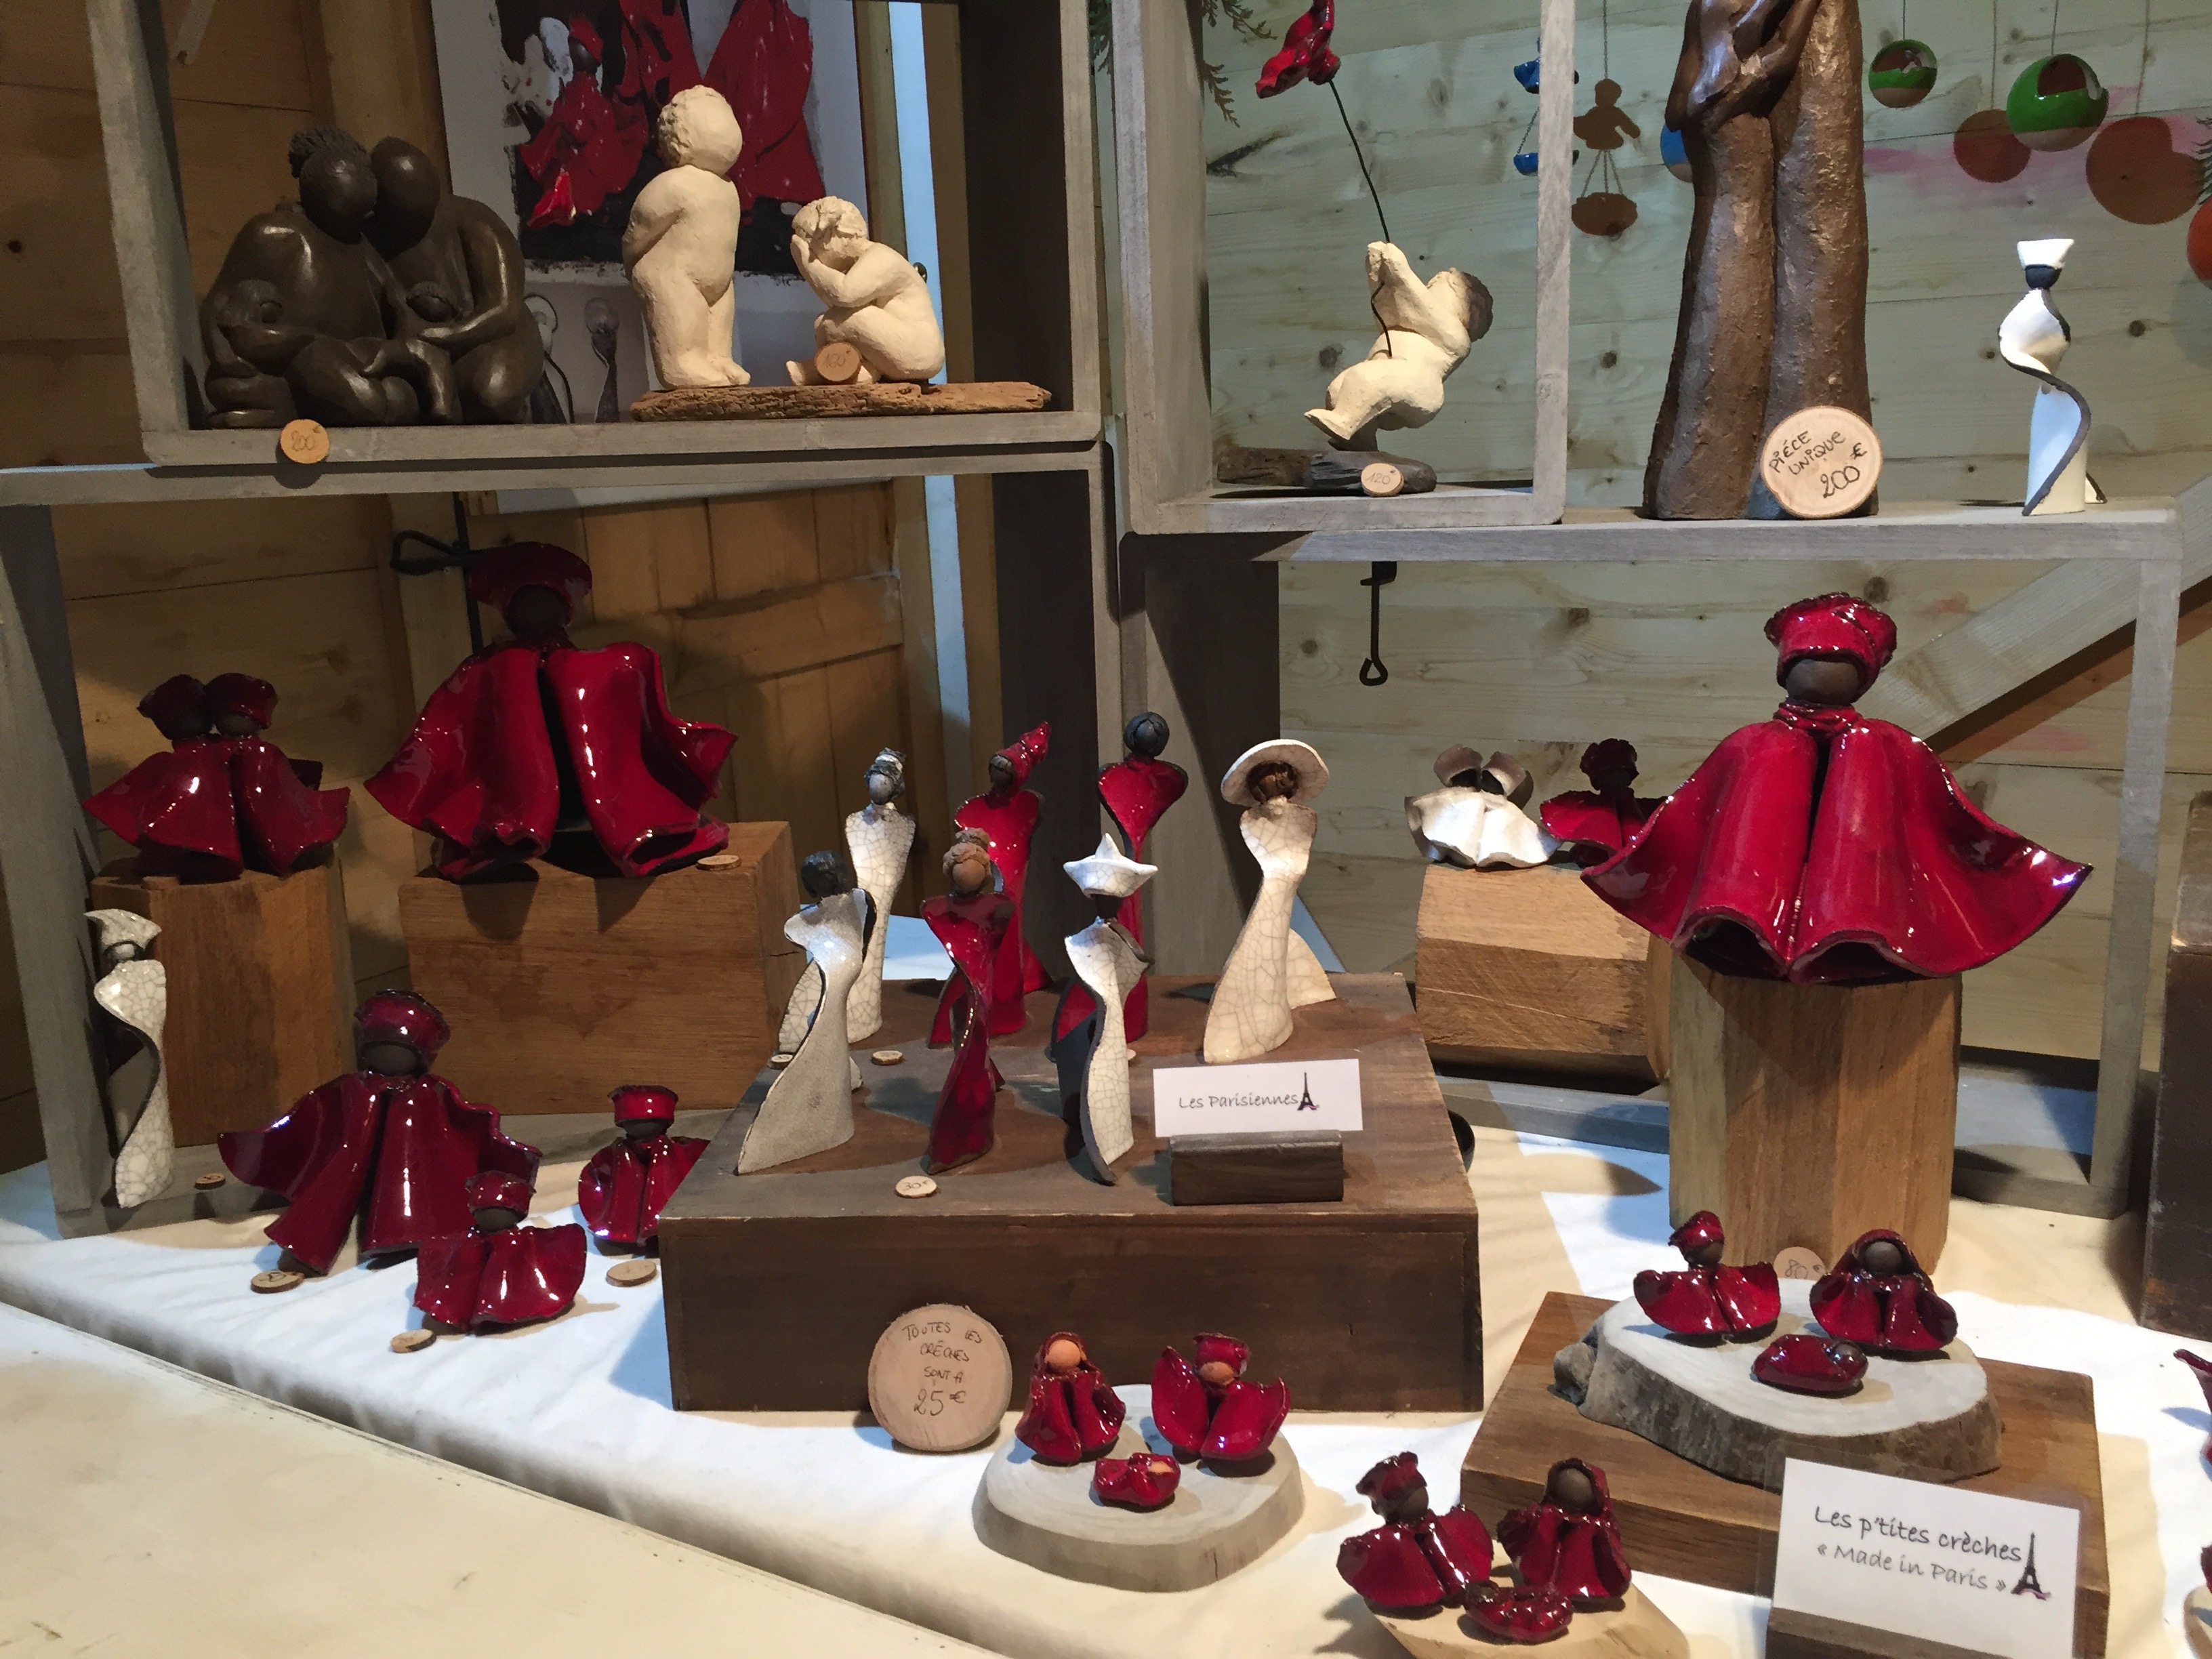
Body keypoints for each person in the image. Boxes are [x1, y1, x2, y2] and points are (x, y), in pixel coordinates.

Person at [1584, 594, 2089, 983]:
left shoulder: (1877, 744)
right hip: (1740, 922)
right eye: (1808, 659)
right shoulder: (1759, 742)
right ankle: (1739, 914)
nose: (1821, 671)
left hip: (1863, 907)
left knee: (1862, 763)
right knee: (1769, 767)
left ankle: (1854, 924)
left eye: (1838, 662)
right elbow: (1702, 813)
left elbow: (1931, 817)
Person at [367, 541, 735, 879]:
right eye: (525, 600)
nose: (537, 610)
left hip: (591, 797)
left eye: (547, 599)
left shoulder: (608, 664)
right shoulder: (488, 671)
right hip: (509, 796)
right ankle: (507, 834)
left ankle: (637, 829)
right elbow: (450, 727)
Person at [220, 992, 539, 1275]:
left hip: (409, 1164)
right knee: (333, 1188)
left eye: (401, 1049)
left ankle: (403, 1230)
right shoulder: (354, 1087)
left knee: (407, 1180)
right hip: (349, 1156)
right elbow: (320, 1113)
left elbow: (456, 1120)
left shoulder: (427, 1091)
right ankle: (308, 1243)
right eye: (381, 1047)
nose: (390, 1056)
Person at [85, 673, 348, 881]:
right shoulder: (190, 756)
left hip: (258, 830)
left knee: (256, 773)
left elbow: (272, 797)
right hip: (199, 835)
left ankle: (279, 848)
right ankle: (198, 851)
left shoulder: (257, 753)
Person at [367, 139, 545, 422]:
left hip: (493, 333)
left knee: (490, 393)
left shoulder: (474, 220)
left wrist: (441, 336)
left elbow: (504, 310)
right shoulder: (371, 237)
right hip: (424, 345)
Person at [576, 1084, 708, 1249]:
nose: (642, 1126)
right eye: (633, 1121)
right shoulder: (608, 1158)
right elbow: (594, 1181)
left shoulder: (685, 1151)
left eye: (650, 1121)